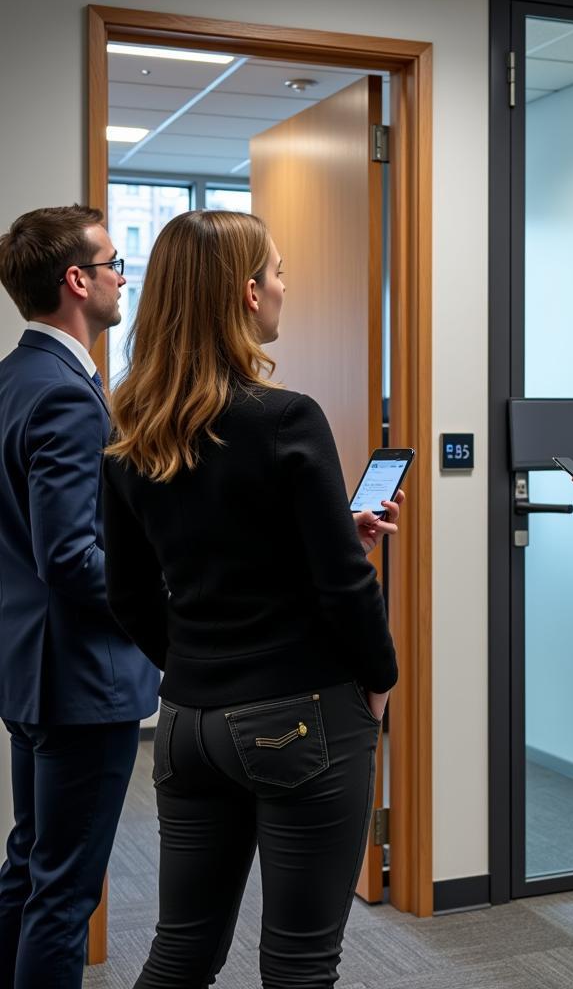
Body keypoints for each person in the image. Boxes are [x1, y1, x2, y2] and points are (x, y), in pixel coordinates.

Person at [101, 210, 400, 988]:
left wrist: (201, 664)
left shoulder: (132, 428)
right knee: (300, 962)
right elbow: (342, 585)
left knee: (180, 950)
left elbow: (129, 590)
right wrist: (380, 682)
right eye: (276, 270)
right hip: (301, 718)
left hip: (188, 725)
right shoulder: (285, 418)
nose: (284, 285)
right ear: (244, 292)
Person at [0, 206, 160, 988]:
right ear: (77, 281)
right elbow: (70, 556)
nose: (122, 278)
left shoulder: (12, 378)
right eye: (114, 264)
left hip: (29, 671)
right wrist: (168, 596)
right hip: (81, 681)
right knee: (62, 895)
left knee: (30, 869)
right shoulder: (65, 394)